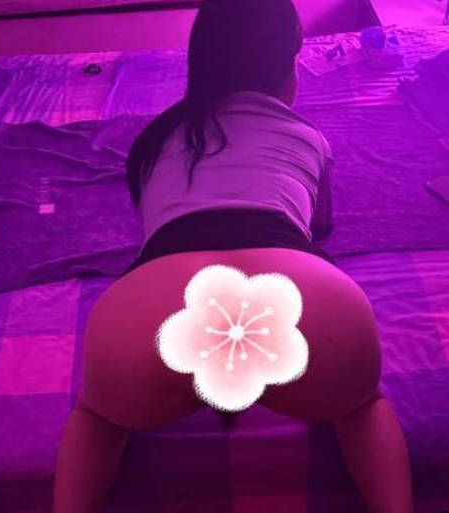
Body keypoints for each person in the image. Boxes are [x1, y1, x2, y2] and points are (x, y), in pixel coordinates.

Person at [52, 1, 414, 512]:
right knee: (362, 407)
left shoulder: (152, 142)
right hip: (300, 296)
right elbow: (319, 226)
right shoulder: (308, 137)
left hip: (159, 303)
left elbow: (150, 220)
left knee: (98, 418)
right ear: (287, 70)